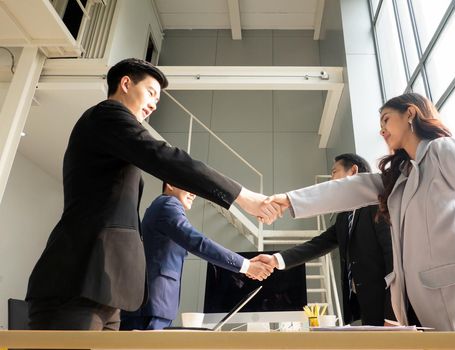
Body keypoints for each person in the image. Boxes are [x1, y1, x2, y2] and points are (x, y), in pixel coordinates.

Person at [25, 58, 280, 330]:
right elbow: (166, 158)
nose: (155, 103)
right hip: (78, 280)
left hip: (106, 289)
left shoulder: (114, 137)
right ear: (125, 83)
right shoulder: (107, 115)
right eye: (151, 92)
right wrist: (243, 197)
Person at [267, 93, 455, 331]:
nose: (381, 129)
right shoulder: (400, 176)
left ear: (410, 113)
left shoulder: (442, 150)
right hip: (414, 306)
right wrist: (288, 200)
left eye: (386, 119)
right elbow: (349, 189)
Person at [252, 153, 394, 325]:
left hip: (387, 310)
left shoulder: (378, 206)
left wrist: (392, 316)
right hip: (359, 308)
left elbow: (392, 259)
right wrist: (275, 259)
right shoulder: (344, 217)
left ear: (353, 171)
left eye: (334, 172)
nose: (331, 178)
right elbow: (318, 245)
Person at [120, 183, 272, 330]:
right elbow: (199, 243)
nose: (194, 194)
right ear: (171, 184)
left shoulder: (162, 207)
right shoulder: (168, 204)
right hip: (151, 306)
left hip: (155, 306)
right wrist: (246, 266)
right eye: (189, 187)